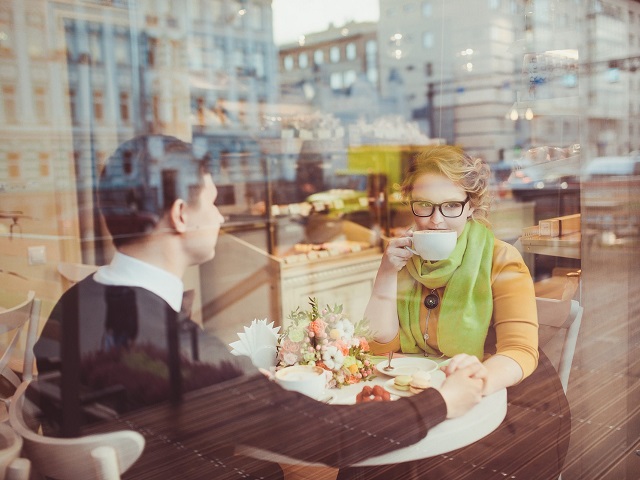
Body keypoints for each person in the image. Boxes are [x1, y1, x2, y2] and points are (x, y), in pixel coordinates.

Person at [32, 135, 486, 479]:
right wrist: (441, 401)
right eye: (212, 203)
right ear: (180, 215)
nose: (222, 217)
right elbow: (334, 438)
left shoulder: (74, 305)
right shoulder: (179, 354)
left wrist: (241, 392)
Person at [338, 145, 571, 479]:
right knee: (366, 460)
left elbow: (519, 351)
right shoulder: (404, 260)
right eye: (424, 206)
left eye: (450, 205)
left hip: (501, 396)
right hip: (425, 394)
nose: (435, 219)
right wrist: (386, 273)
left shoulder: (499, 259)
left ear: (470, 206)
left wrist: (470, 386)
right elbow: (379, 347)